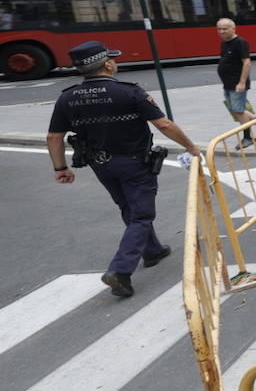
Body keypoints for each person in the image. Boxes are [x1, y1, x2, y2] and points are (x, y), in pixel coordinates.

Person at [47, 41, 200, 298]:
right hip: (134, 163)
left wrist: (60, 167)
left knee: (128, 208)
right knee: (141, 215)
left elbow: (54, 136)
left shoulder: (67, 97)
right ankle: (120, 271)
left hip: (100, 164)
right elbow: (162, 124)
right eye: (112, 60)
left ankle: (152, 250)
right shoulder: (129, 91)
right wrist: (190, 147)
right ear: (107, 64)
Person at [216, 18, 256, 143]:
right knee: (236, 110)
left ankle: (247, 137)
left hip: (237, 83)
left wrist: (242, 82)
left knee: (239, 111)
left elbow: (247, 62)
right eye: (219, 29)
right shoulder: (224, 43)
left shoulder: (240, 42)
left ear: (233, 29)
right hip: (227, 84)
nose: (222, 31)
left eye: (225, 29)